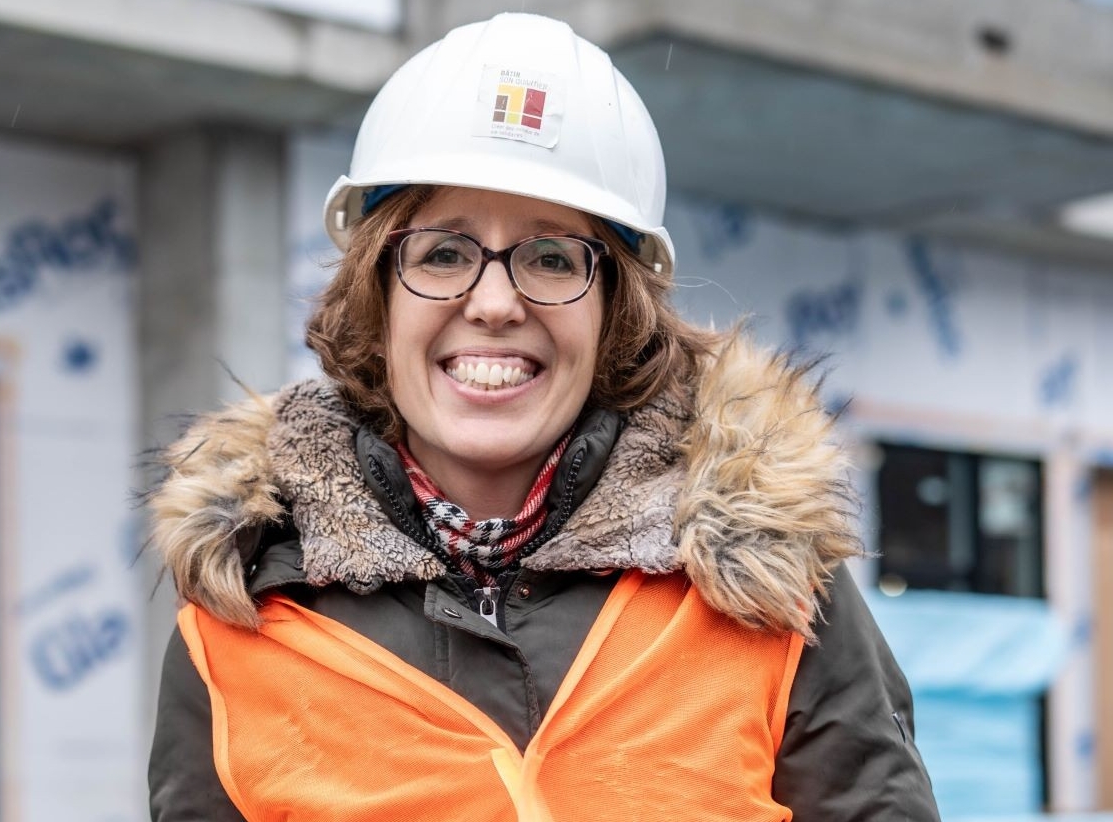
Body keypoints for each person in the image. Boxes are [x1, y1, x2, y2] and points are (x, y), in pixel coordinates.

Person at [147, 12, 939, 821]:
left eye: (553, 258)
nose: (493, 303)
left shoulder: (771, 592)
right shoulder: (240, 614)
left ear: (616, 313)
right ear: (377, 296)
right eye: (443, 253)